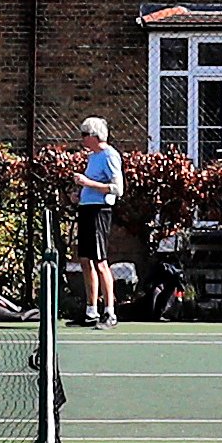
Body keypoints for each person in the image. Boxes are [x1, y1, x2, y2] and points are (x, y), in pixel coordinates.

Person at [70, 117, 125, 329]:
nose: (82, 139)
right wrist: (79, 193)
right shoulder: (93, 157)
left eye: (85, 135)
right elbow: (93, 184)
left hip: (99, 212)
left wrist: (87, 183)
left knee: (100, 261)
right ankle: (91, 311)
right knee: (85, 260)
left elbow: (117, 188)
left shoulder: (110, 155)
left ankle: (109, 312)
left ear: (94, 136)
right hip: (86, 209)